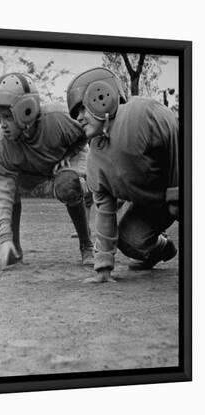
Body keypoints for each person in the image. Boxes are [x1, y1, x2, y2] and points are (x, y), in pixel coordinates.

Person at [66, 67, 179, 283]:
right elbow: (105, 212)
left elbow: (174, 133)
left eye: (81, 109)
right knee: (129, 241)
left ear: (103, 96)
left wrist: (176, 192)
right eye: (75, 114)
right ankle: (163, 249)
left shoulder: (140, 113)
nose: (78, 118)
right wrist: (103, 268)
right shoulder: (95, 160)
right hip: (153, 206)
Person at [0, 72, 94, 270]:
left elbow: (87, 133)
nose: (1, 124)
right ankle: (14, 250)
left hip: (66, 158)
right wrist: (4, 239)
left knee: (66, 186)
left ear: (27, 111)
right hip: (32, 169)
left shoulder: (57, 118)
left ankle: (86, 245)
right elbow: (3, 195)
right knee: (11, 189)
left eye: (8, 117)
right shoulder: (0, 144)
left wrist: (68, 155)